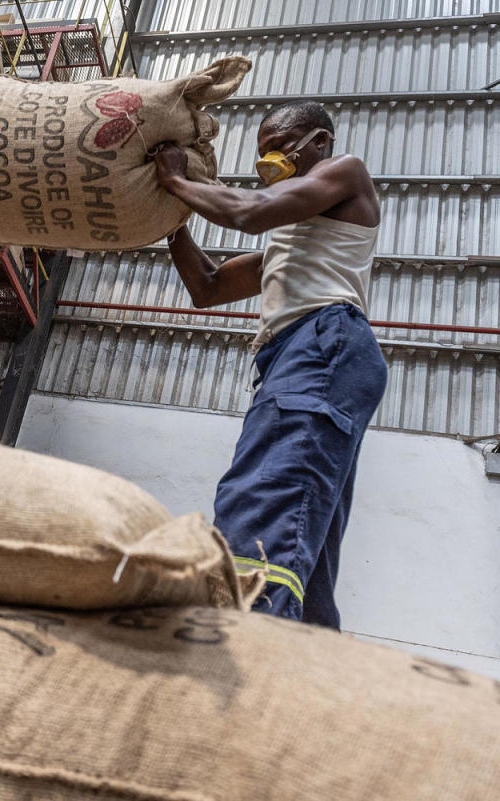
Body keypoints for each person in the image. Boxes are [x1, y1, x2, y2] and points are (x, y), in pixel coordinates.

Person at [151, 101, 387, 629]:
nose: (269, 161)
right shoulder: (295, 240)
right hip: (310, 354)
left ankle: (247, 640)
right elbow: (207, 287)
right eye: (262, 154)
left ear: (320, 143)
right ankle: (307, 657)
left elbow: (248, 211)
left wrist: (175, 182)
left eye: (282, 148)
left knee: (267, 495)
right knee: (307, 524)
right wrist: (171, 227)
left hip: (324, 343)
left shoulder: (345, 172)